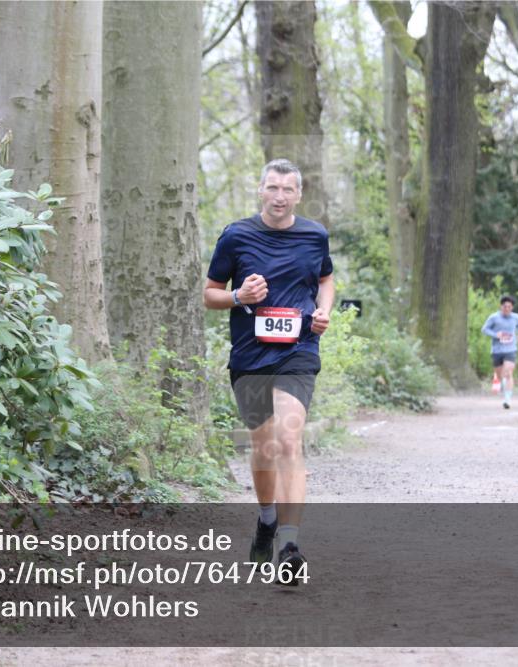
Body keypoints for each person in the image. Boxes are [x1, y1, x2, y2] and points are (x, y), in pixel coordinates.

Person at [203, 158, 334, 585]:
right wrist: (240, 295)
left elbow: (326, 279)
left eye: (288, 190)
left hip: (298, 351)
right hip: (249, 356)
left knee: (288, 438)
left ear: (298, 194)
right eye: (272, 188)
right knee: (264, 448)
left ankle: (290, 545)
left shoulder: (315, 235)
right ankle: (266, 519)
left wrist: (323, 310)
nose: (280, 196)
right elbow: (210, 294)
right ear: (261, 190)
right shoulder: (236, 236)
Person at [481, 295, 518, 409]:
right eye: (505, 307)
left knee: (508, 373)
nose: (507, 309)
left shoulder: (515, 317)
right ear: (501, 306)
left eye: (509, 307)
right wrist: (496, 335)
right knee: (501, 376)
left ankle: (507, 400)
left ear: (512, 308)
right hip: (497, 350)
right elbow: (484, 329)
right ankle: (500, 384)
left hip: (510, 349)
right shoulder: (494, 317)